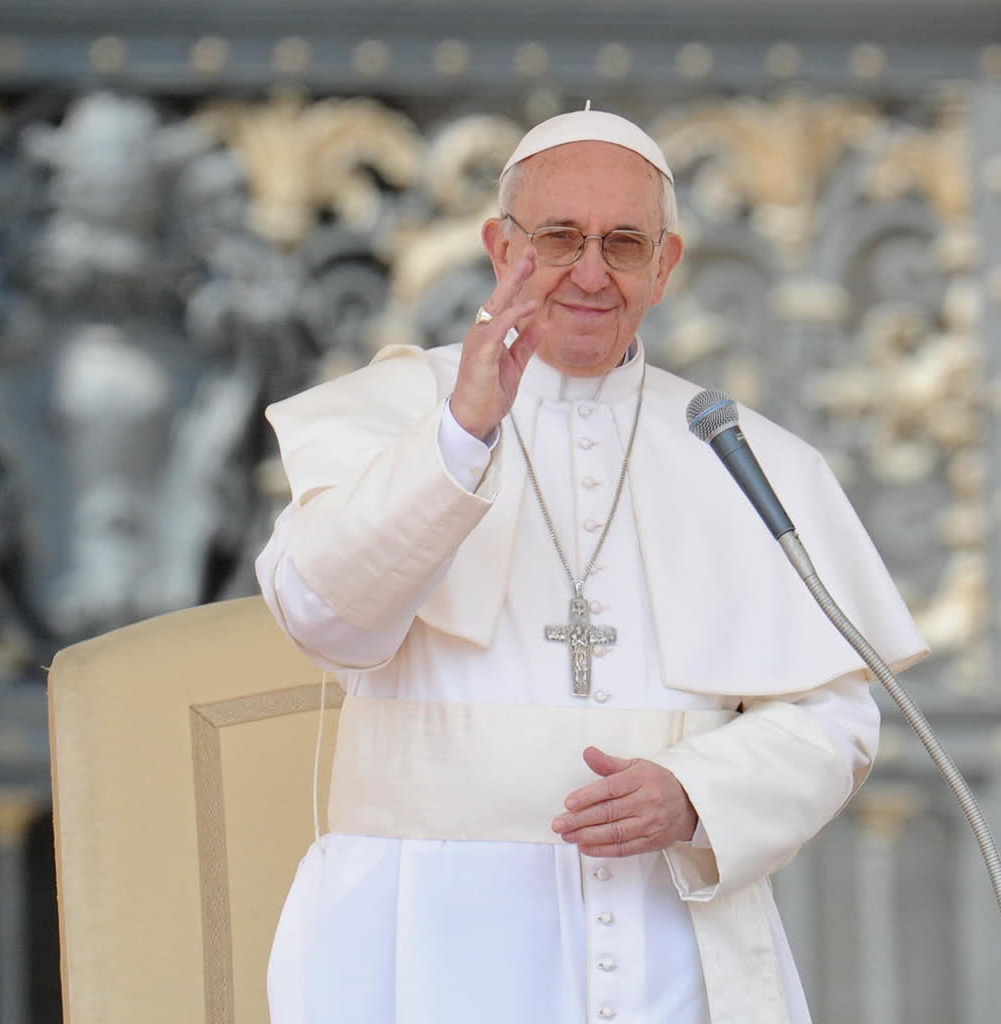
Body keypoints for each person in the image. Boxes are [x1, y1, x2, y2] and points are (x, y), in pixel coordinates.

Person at [254, 106, 927, 1024]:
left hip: (671, 942)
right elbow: (321, 617)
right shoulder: (392, 413)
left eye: (623, 244)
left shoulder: (739, 450)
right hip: (428, 940)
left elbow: (834, 717)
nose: (590, 272)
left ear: (665, 267)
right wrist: (460, 435)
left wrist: (698, 793)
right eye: (559, 238)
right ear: (501, 248)